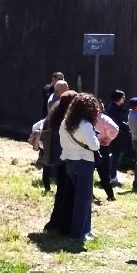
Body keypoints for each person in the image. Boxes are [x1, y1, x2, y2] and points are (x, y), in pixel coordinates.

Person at [59, 92, 102, 242]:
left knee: (80, 198)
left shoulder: (65, 123)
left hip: (70, 161)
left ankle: (86, 230)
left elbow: (62, 143)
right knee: (83, 200)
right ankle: (78, 234)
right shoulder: (86, 125)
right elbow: (95, 146)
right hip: (84, 163)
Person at [42, 90, 78, 235]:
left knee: (61, 191)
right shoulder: (68, 120)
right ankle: (65, 224)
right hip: (68, 159)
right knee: (68, 193)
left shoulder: (54, 115)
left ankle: (55, 221)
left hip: (58, 159)